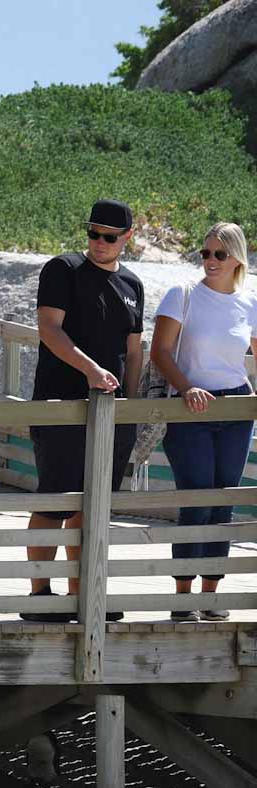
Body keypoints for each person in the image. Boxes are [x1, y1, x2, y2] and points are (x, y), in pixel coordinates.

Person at [22, 199, 146, 622]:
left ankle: (86, 592)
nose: (99, 242)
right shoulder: (63, 269)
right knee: (55, 500)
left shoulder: (132, 284)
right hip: (62, 405)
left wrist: (131, 406)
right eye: (93, 233)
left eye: (109, 236)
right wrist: (90, 370)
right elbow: (49, 328)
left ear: (127, 237)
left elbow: (134, 351)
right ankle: (40, 594)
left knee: (93, 507)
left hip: (112, 413)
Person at [148, 221, 256, 620]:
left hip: (236, 410)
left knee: (223, 502)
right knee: (195, 500)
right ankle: (183, 599)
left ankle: (210, 598)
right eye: (205, 253)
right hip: (189, 409)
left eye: (220, 254)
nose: (210, 260)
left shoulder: (250, 301)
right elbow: (160, 351)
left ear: (237, 259)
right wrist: (187, 387)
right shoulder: (183, 294)